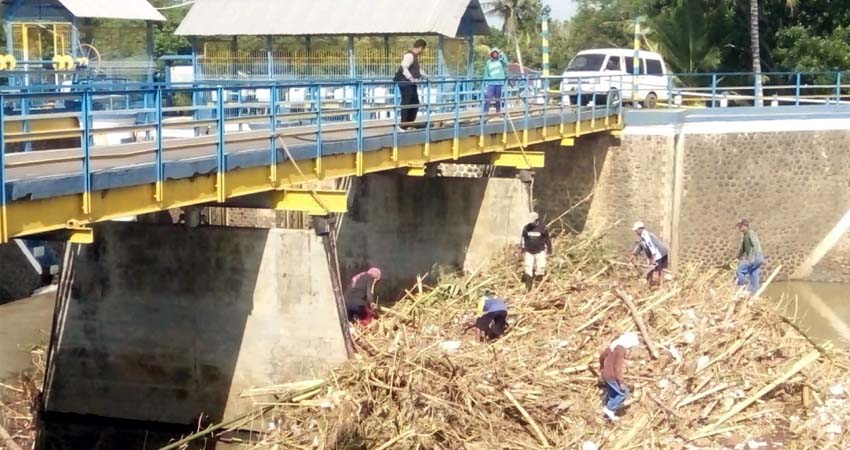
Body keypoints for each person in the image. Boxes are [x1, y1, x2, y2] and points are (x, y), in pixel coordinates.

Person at [599, 332, 640, 422]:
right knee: (623, 393)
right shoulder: (621, 350)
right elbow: (617, 368)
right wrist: (621, 382)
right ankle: (609, 408)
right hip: (612, 375)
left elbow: (602, 356)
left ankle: (609, 413)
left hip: (605, 373)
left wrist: (602, 367)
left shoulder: (612, 346)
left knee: (613, 393)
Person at [393, 39, 428, 129]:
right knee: (407, 102)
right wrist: (411, 78)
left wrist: (426, 76)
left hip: (410, 83)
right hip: (405, 82)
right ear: (420, 48)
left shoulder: (415, 56)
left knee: (415, 102)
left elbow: (417, 70)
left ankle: (409, 123)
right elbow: (404, 68)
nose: (423, 51)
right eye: (423, 49)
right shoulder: (409, 55)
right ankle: (403, 125)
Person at [629, 221, 669, 288]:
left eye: (636, 231)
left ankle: (661, 286)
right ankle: (649, 284)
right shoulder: (642, 237)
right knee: (651, 268)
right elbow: (640, 246)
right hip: (654, 254)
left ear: (640, 229)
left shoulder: (647, 236)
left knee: (659, 269)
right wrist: (633, 255)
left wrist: (652, 261)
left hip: (660, 253)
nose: (636, 233)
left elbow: (653, 249)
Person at [521, 212, 552, 288]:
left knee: (541, 267)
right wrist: (523, 249)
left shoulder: (542, 228)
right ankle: (528, 286)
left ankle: (539, 283)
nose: (531, 224)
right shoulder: (526, 228)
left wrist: (549, 249)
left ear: (536, 220)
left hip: (540, 251)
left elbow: (547, 239)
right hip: (529, 251)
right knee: (528, 267)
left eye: (533, 221)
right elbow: (523, 239)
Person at [736, 219, 764, 295]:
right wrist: (737, 257)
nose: (739, 227)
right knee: (754, 275)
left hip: (756, 257)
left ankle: (744, 288)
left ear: (745, 225)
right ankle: (755, 295)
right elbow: (743, 249)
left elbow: (755, 244)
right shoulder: (745, 236)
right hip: (758, 258)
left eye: (740, 226)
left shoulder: (751, 233)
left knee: (739, 271)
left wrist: (752, 256)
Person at [483, 47, 508, 114]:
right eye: (493, 53)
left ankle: (498, 111)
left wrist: (502, 54)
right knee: (488, 97)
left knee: (498, 97)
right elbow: (486, 72)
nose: (494, 54)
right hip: (491, 82)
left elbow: (506, 63)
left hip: (499, 82)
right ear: (491, 54)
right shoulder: (488, 62)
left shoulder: (501, 61)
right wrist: (485, 82)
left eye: (496, 53)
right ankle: (485, 111)